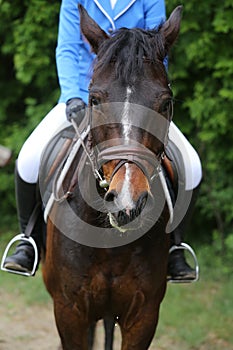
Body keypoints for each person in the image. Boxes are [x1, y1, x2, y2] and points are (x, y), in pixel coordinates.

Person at [2, 0, 202, 281]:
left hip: (138, 100)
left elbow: (159, 51)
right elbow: (68, 49)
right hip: (87, 96)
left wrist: (145, 95)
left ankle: (175, 248)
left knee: (191, 164)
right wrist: (73, 95)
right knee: (28, 158)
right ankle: (29, 241)